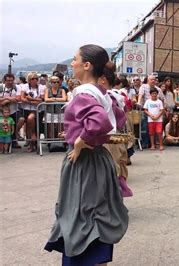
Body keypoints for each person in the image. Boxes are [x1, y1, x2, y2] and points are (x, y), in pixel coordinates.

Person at [44, 44, 128, 265]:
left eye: (75, 59)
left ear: (87, 65)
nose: (72, 63)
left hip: (85, 162)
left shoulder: (83, 93)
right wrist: (75, 130)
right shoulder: (102, 93)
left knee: (80, 213)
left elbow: (99, 122)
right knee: (96, 213)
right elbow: (117, 119)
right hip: (100, 159)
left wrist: (80, 142)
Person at [19, 72, 45, 152]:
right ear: (29, 80)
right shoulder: (25, 86)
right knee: (29, 126)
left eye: (36, 78)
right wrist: (33, 101)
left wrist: (30, 99)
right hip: (26, 109)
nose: (35, 80)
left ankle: (34, 142)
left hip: (38, 110)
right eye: (32, 79)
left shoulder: (41, 87)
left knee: (32, 121)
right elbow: (22, 98)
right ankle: (31, 143)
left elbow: (41, 100)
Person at [0, 73, 21, 149]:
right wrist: (9, 98)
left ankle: (14, 138)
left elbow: (18, 99)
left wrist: (6, 100)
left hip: (14, 111)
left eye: (11, 80)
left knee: (20, 120)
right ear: (4, 81)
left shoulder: (17, 87)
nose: (10, 82)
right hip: (2, 111)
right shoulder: (1, 87)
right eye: (8, 80)